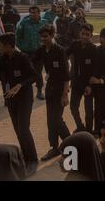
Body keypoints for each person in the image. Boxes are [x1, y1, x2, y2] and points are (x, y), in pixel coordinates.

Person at [0, 33, 38, 169]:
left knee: (23, 129)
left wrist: (20, 85)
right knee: (17, 129)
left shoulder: (23, 58)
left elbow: (34, 76)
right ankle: (25, 157)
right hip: (11, 99)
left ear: (8, 46)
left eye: (0, 45)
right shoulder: (3, 58)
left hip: (24, 99)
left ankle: (33, 159)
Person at [33, 24, 71, 161]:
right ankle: (54, 147)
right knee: (51, 120)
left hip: (61, 89)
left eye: (46, 36)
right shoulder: (42, 50)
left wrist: (65, 94)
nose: (43, 39)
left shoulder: (60, 51)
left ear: (52, 35)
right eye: (41, 36)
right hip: (50, 88)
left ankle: (70, 144)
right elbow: (30, 61)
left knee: (57, 119)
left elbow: (66, 75)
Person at [66, 23, 97, 133]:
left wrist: (90, 85)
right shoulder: (75, 44)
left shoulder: (93, 49)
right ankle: (80, 126)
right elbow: (64, 54)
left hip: (88, 85)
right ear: (80, 33)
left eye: (87, 34)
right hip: (76, 83)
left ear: (91, 36)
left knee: (88, 110)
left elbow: (96, 69)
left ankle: (89, 130)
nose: (84, 36)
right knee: (73, 107)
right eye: (83, 33)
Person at [16, 6, 47, 100]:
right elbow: (18, 36)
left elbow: (48, 36)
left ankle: (39, 91)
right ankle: (25, 92)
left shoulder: (44, 23)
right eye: (31, 13)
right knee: (25, 72)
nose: (33, 14)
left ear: (39, 13)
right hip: (26, 52)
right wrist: (22, 47)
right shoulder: (24, 23)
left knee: (38, 72)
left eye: (35, 12)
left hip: (39, 52)